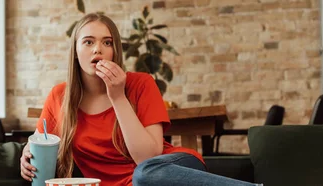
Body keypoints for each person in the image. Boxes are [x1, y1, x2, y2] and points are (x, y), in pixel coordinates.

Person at [19, 13, 261, 186]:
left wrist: (117, 96)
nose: (97, 49)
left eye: (107, 42)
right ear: (76, 52)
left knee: (144, 173)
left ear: (115, 51)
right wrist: (27, 154)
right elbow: (41, 141)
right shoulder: (60, 96)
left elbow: (148, 157)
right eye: (88, 42)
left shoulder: (140, 83)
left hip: (167, 168)